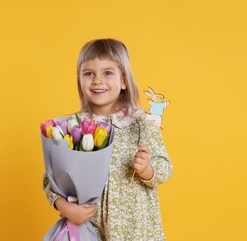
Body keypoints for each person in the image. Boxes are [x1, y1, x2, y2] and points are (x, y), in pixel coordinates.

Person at [43, 38, 173, 240]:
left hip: (136, 229)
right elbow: (52, 179)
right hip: (91, 228)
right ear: (79, 79)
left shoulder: (141, 123)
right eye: (89, 74)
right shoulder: (72, 127)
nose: (97, 80)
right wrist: (66, 208)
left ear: (123, 80)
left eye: (107, 73)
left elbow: (165, 167)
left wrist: (147, 170)